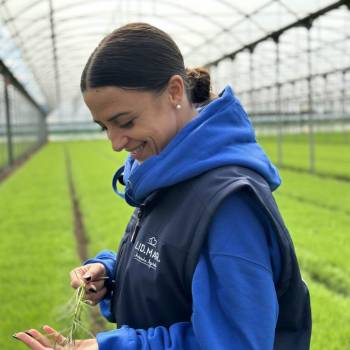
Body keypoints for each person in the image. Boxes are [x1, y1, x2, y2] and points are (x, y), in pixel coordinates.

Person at [15, 22, 311, 350]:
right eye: (104, 127)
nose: (115, 142)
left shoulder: (230, 205)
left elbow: (235, 343)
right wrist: (111, 275)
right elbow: (171, 263)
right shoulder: (165, 172)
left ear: (174, 92)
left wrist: (108, 347)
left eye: (125, 122)